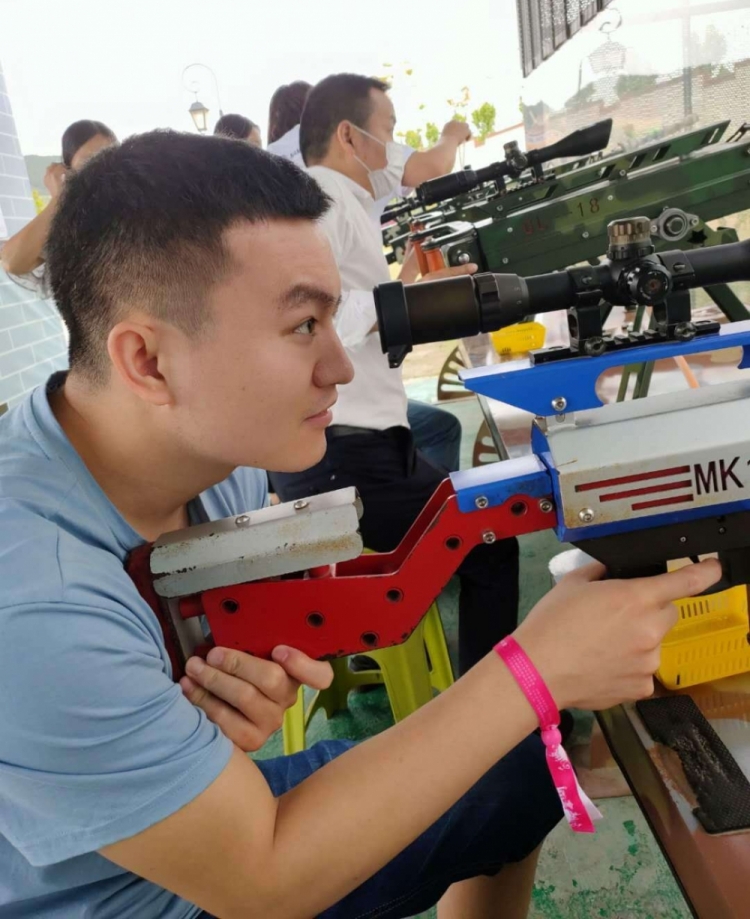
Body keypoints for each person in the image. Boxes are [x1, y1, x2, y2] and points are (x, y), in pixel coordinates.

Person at [0, 129, 718, 919]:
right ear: (148, 362)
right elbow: (261, 885)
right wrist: (538, 669)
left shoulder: (207, 452)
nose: (341, 368)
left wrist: (199, 708)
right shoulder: (34, 603)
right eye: (302, 326)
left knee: (519, 778)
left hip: (190, 819)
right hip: (124, 898)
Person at [269, 74, 515, 674]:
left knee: (480, 524)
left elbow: (350, 308)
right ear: (350, 136)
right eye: (389, 131)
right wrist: (408, 300)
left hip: (359, 449)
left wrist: (407, 288)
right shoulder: (324, 198)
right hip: (346, 459)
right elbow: (301, 311)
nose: (395, 149)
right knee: (490, 539)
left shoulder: (338, 202)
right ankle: (492, 708)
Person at [0, 119, 117, 276]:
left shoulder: (139, 206)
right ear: (68, 172)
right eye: (88, 163)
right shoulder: (70, 225)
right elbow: (12, 262)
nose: (102, 171)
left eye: (110, 158)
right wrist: (59, 199)